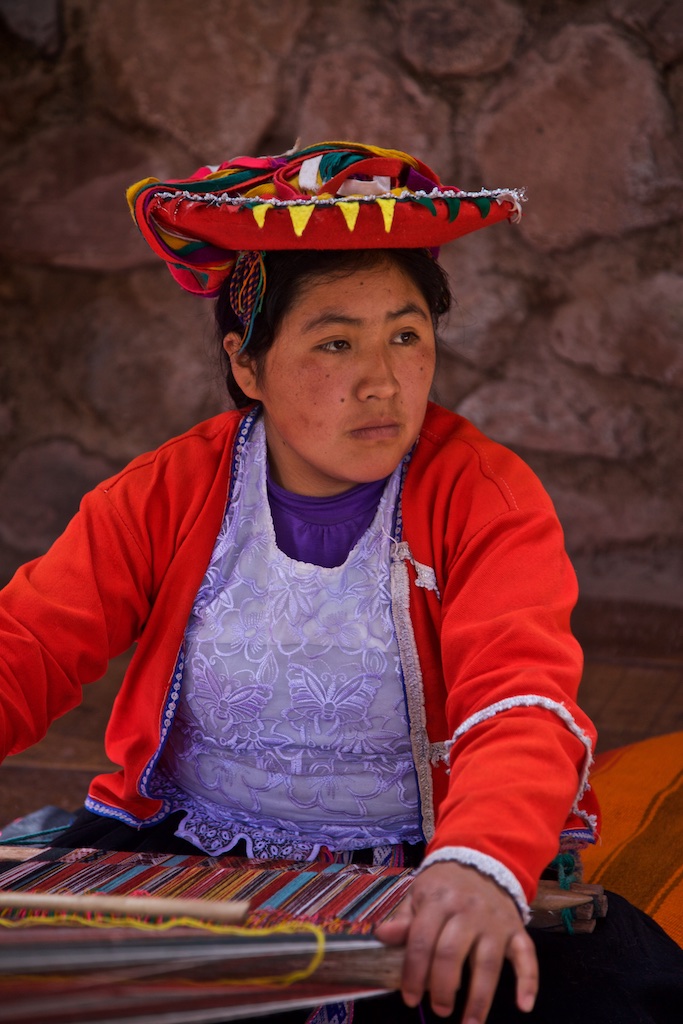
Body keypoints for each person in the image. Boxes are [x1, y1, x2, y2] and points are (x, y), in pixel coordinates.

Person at [0, 142, 681, 1024]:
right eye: (334, 342)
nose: (382, 381)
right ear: (248, 366)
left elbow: (519, 703)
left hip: (416, 873)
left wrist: (476, 866)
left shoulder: (484, 498)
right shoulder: (166, 493)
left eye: (406, 336)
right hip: (190, 861)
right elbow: (29, 643)